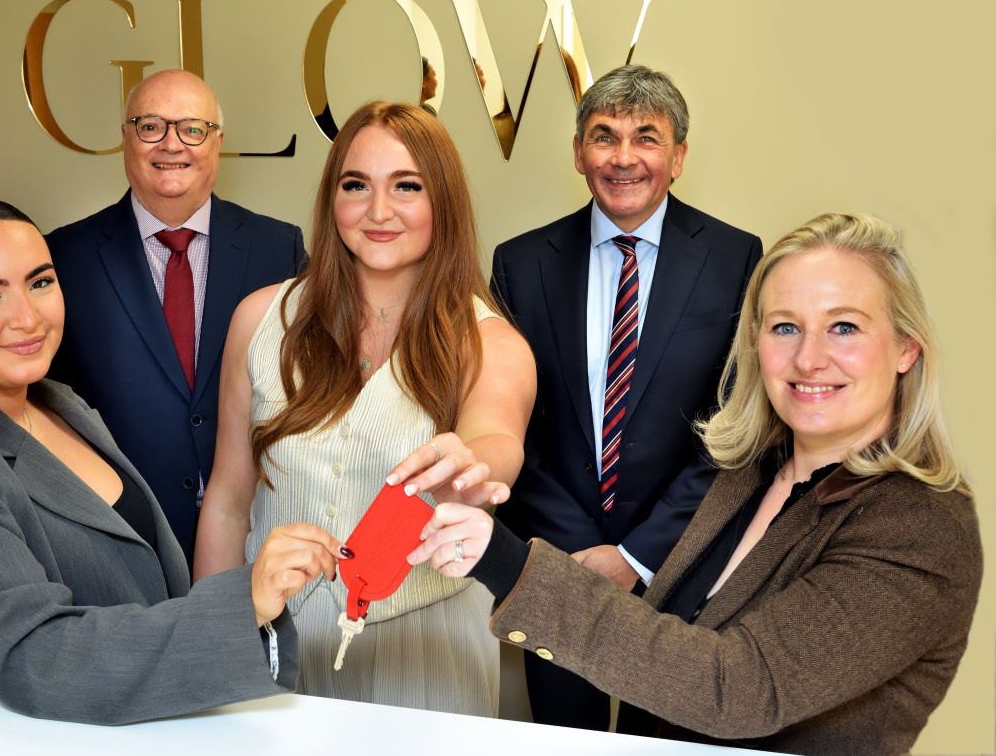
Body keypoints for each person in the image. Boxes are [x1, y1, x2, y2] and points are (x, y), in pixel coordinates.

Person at [411, 213, 982, 755]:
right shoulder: (749, 474)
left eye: (844, 327)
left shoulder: (921, 526)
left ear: (907, 348)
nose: (810, 359)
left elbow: (734, 689)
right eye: (786, 327)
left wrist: (506, 560)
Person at [0, 195, 341, 725]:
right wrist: (240, 603)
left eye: (40, 282)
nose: (27, 317)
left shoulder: (58, 403)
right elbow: (38, 657)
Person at [194, 102, 535, 716]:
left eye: (407, 186)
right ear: (332, 200)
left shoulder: (491, 344)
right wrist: (210, 641)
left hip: (428, 662)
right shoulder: (260, 321)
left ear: (444, 202)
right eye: (357, 186)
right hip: (278, 652)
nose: (379, 212)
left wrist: (473, 465)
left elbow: (496, 443)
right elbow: (227, 501)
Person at [489, 63, 762, 731]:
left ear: (678, 155)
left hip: (680, 566)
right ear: (579, 152)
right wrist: (580, 556)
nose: (624, 157)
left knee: (666, 742)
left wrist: (637, 555)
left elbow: (738, 422)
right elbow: (514, 424)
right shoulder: (520, 263)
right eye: (604, 136)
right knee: (563, 742)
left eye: (647, 136)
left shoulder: (735, 259)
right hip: (559, 564)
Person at [46, 70, 305, 562]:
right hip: (123, 538)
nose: (172, 144)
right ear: (125, 138)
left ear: (217, 142)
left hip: (258, 534)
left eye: (192, 128)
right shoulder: (64, 256)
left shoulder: (279, 248)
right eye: (150, 127)